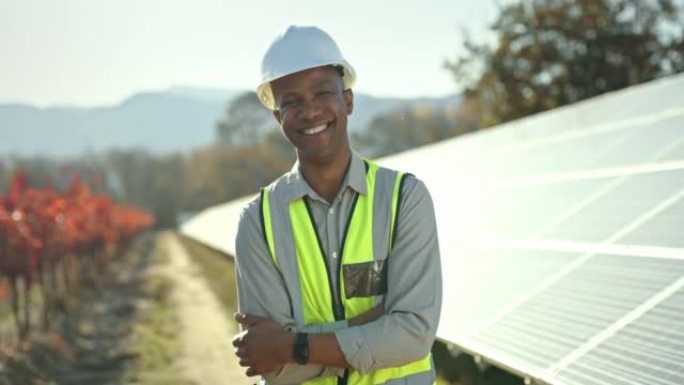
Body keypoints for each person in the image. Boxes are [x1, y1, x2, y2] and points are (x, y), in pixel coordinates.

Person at [232, 25, 442, 385]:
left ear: (348, 100)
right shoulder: (258, 222)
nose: (310, 111)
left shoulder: (405, 197)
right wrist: (372, 328)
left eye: (322, 93)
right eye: (292, 102)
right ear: (278, 118)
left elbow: (413, 336)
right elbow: (272, 366)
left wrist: (292, 344)